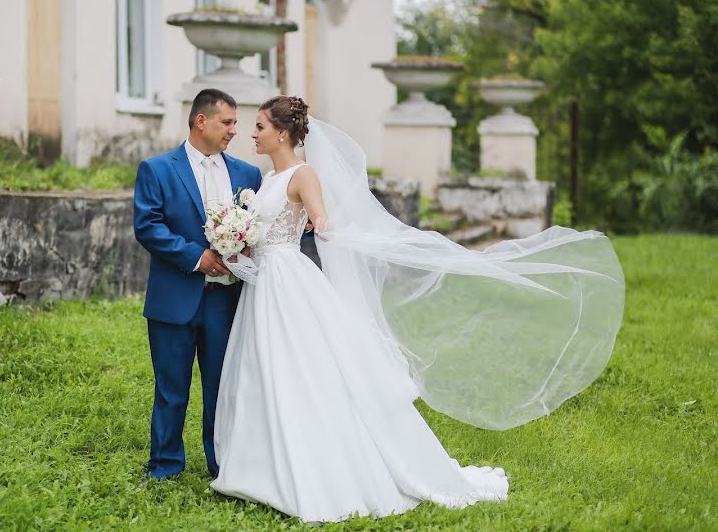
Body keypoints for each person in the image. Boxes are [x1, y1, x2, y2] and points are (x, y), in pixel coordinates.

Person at [210, 96, 625, 522]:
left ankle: (315, 472)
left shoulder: (304, 175)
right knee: (266, 367)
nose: (252, 134)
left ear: (282, 133)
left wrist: (332, 236)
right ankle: (258, 469)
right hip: (264, 285)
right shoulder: (264, 179)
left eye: (259, 126)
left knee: (301, 369)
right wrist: (238, 241)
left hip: (290, 283)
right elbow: (263, 230)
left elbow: (321, 222)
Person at [133, 89, 262, 480]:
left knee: (223, 389)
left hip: (226, 300)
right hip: (175, 297)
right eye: (228, 122)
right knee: (171, 389)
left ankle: (223, 465)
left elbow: (259, 227)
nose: (234, 131)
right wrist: (196, 257)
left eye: (237, 124)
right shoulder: (156, 169)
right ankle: (165, 466)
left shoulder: (247, 174)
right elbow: (148, 226)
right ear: (201, 121)